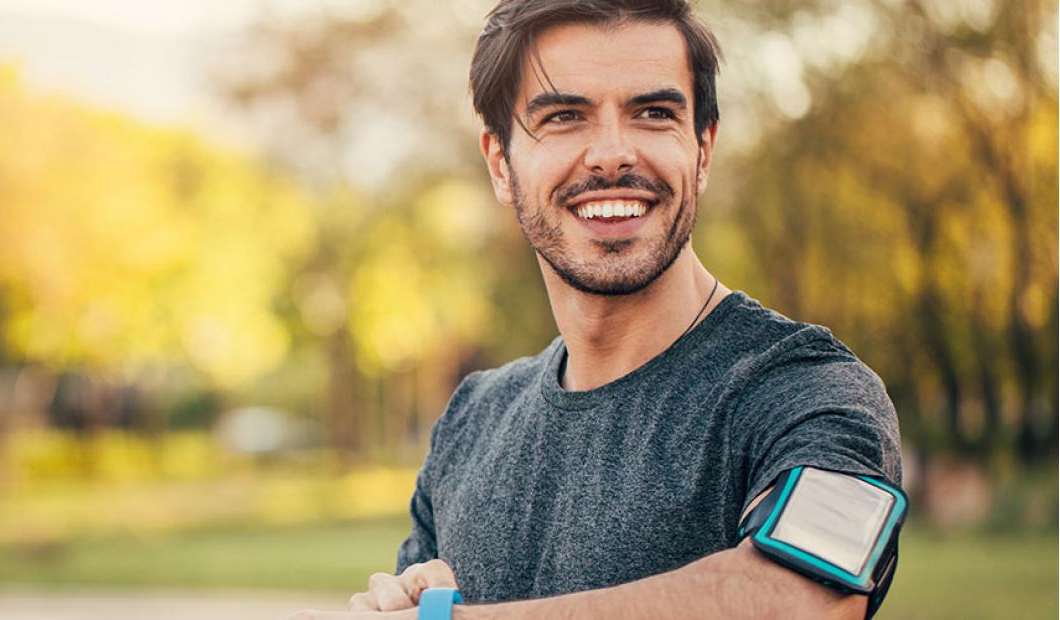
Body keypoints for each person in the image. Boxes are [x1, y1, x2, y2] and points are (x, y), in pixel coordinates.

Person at [286, 0, 904, 618]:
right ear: (501, 164)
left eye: (654, 113)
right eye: (563, 117)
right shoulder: (471, 423)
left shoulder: (809, 392)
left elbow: (805, 597)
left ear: (704, 151)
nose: (612, 154)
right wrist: (413, 603)